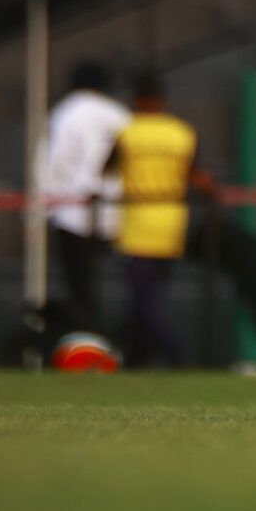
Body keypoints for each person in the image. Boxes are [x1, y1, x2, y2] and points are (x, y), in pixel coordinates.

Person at [106, 71, 208, 369]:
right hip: (172, 221)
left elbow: (105, 170)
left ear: (134, 99)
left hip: (137, 222)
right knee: (148, 296)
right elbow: (199, 176)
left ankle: (176, 355)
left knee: (145, 298)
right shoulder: (181, 133)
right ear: (163, 99)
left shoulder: (127, 132)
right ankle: (136, 359)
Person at [38, 61, 129, 335]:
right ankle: (98, 341)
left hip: (72, 215)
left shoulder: (66, 112)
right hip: (113, 215)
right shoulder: (119, 114)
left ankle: (88, 343)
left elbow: (53, 164)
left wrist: (37, 213)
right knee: (107, 289)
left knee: (79, 289)